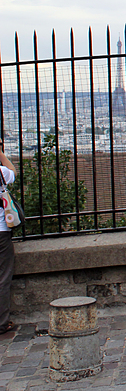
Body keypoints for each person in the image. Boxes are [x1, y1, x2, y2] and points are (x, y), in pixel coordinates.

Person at [0, 140, 16, 334]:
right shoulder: (1, 172)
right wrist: (1, 153)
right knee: (3, 276)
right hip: (1, 230)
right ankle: (2, 321)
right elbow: (12, 172)